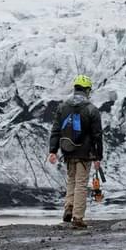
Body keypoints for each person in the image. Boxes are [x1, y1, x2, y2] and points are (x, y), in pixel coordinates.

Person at [48, 74, 103, 229]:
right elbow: (97, 135)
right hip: (85, 153)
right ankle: (78, 217)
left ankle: (68, 208)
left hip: (68, 150)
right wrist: (98, 155)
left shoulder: (62, 107)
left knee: (71, 180)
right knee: (81, 183)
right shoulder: (92, 109)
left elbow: (56, 130)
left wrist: (53, 150)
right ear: (87, 90)